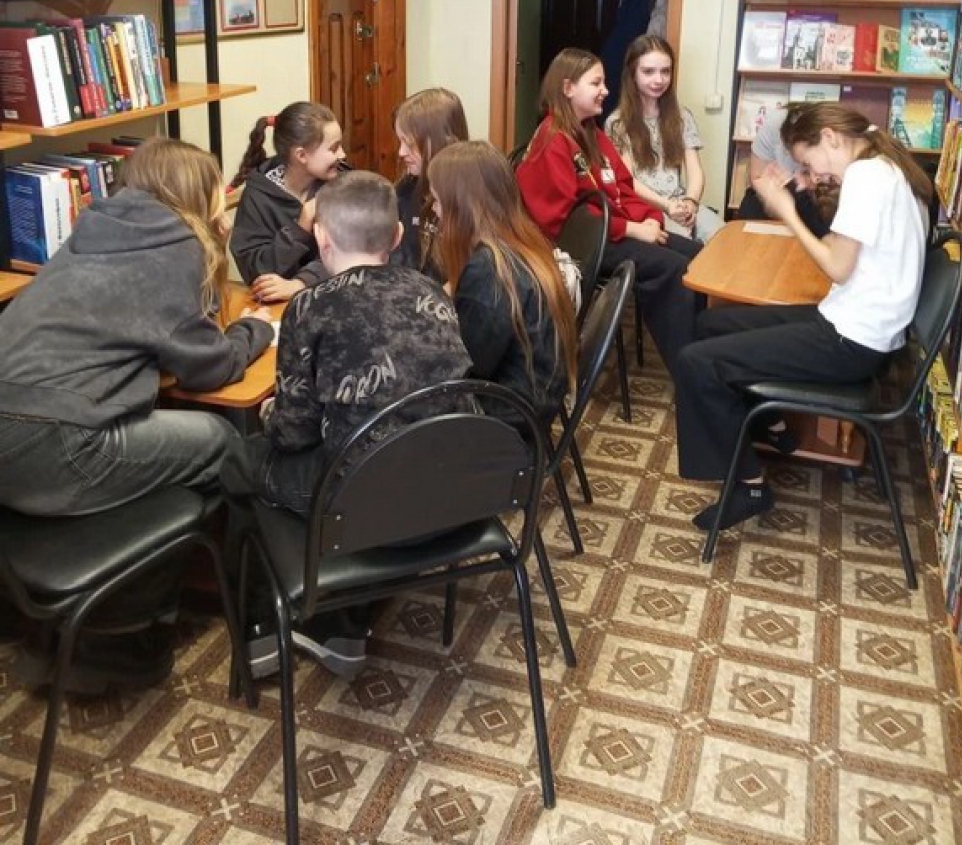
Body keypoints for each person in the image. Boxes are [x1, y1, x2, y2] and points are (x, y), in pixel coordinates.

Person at [0, 136, 274, 690]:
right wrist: (256, 330)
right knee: (222, 443)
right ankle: (129, 629)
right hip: (58, 442)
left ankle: (91, 609)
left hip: (15, 435)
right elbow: (209, 367)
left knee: (169, 453)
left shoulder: (93, 230)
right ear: (195, 193)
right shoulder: (177, 246)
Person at [220, 170, 471, 678]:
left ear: (321, 237)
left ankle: (263, 631)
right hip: (454, 489)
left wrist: (269, 414)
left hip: (367, 498)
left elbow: (293, 434)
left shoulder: (310, 306)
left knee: (240, 459)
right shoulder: (433, 292)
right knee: (360, 446)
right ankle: (339, 623)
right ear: (397, 236)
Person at [673, 101, 931, 532]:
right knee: (709, 325)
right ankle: (769, 423)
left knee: (695, 362)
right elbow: (844, 248)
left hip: (852, 341)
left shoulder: (867, 178)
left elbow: (836, 267)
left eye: (809, 164)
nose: (815, 175)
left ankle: (750, 486)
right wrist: (807, 191)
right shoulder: (885, 163)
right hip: (855, 323)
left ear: (829, 138)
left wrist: (787, 210)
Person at [515, 47, 700, 374]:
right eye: (596, 83)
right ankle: (689, 370)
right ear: (568, 88)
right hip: (583, 245)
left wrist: (649, 219)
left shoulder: (592, 133)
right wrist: (632, 230)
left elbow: (623, 187)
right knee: (672, 269)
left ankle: (701, 352)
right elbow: (568, 222)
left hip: (612, 230)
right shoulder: (552, 139)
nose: (605, 90)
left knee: (697, 257)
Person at [427, 140, 577, 425]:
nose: (434, 210)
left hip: (507, 415)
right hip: (535, 398)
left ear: (464, 206)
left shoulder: (489, 271)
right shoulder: (522, 242)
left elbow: (469, 363)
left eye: (437, 200)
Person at [606, 34, 723, 243]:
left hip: (681, 203)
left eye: (665, 71)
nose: (659, 80)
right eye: (648, 71)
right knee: (686, 248)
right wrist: (667, 206)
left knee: (724, 239)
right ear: (633, 74)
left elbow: (695, 170)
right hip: (645, 209)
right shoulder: (617, 123)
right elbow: (627, 181)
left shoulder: (682, 116)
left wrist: (691, 202)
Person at [229, 100, 345, 301]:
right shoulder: (257, 197)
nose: (343, 154)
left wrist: (301, 284)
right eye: (334, 148)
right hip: (279, 307)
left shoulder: (343, 186)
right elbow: (256, 272)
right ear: (301, 155)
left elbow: (352, 253)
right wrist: (298, 230)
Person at [392, 87, 469, 278]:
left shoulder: (467, 200)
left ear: (439, 141)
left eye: (409, 144)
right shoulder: (405, 189)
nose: (401, 152)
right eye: (400, 142)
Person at [737, 106, 834, 237]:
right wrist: (775, 194)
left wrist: (791, 215)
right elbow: (757, 177)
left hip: (816, 199)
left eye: (806, 166)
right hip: (780, 190)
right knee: (751, 208)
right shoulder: (775, 124)